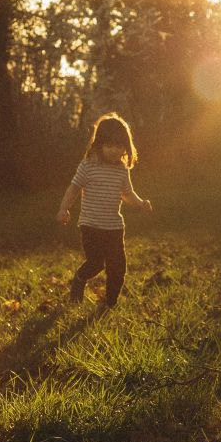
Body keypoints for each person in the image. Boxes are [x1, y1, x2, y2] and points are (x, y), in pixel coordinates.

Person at [55, 113, 152, 308]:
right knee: (96, 263)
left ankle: (110, 303)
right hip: (90, 226)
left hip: (114, 228)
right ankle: (80, 278)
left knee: (118, 266)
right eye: (109, 145)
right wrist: (64, 208)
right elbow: (74, 188)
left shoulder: (122, 170)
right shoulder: (88, 165)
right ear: (99, 144)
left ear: (126, 146)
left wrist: (140, 203)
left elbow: (127, 193)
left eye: (119, 146)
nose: (115, 150)